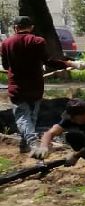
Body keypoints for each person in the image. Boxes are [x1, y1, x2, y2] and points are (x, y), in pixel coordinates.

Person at [1, 16, 72, 156]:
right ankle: (27, 144)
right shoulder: (38, 41)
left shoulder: (6, 43)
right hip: (35, 87)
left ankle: (31, 143)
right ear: (31, 27)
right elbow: (49, 61)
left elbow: (5, 66)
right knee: (31, 116)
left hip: (17, 87)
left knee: (22, 118)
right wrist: (69, 64)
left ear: (15, 28)